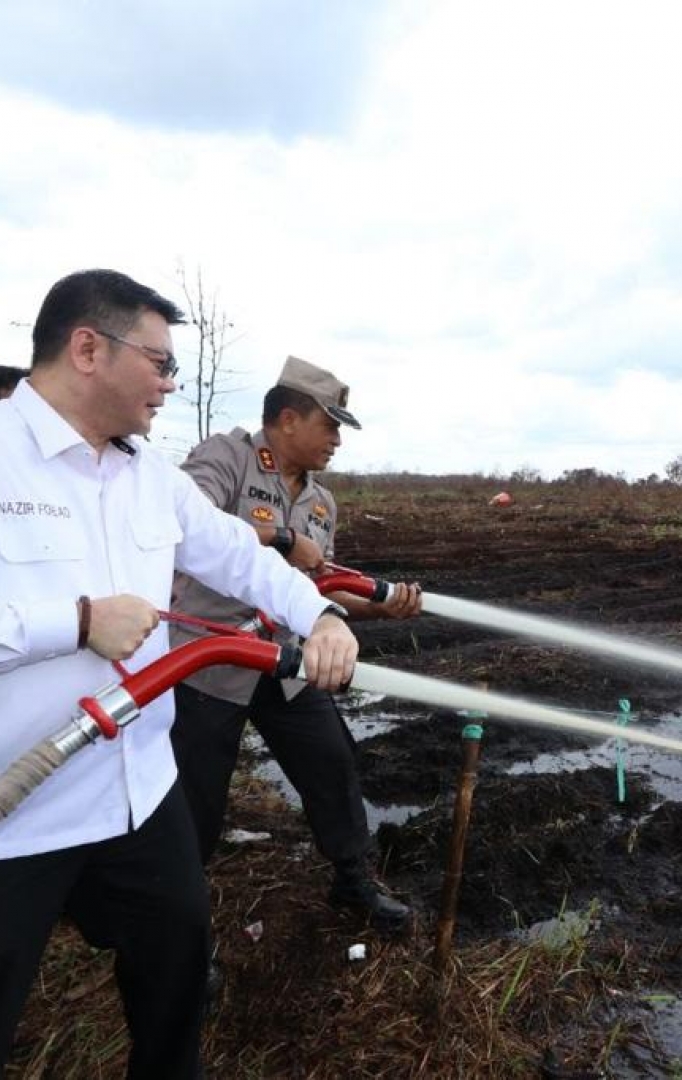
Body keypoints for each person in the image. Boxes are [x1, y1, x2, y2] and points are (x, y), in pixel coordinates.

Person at [0, 270, 359, 1079]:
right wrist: (76, 623)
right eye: (160, 364)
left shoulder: (149, 478)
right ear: (87, 348)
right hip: (15, 809)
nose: (170, 384)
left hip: (134, 789)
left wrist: (320, 616)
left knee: (177, 973)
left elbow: (236, 554)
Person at [169, 357, 421, 931]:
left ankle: (353, 882)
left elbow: (312, 587)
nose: (336, 440)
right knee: (195, 798)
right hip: (210, 662)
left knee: (331, 761)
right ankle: (181, 922)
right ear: (288, 419)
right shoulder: (226, 457)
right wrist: (282, 538)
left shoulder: (321, 503)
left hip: (285, 661)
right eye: (330, 426)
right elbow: (185, 522)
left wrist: (378, 604)